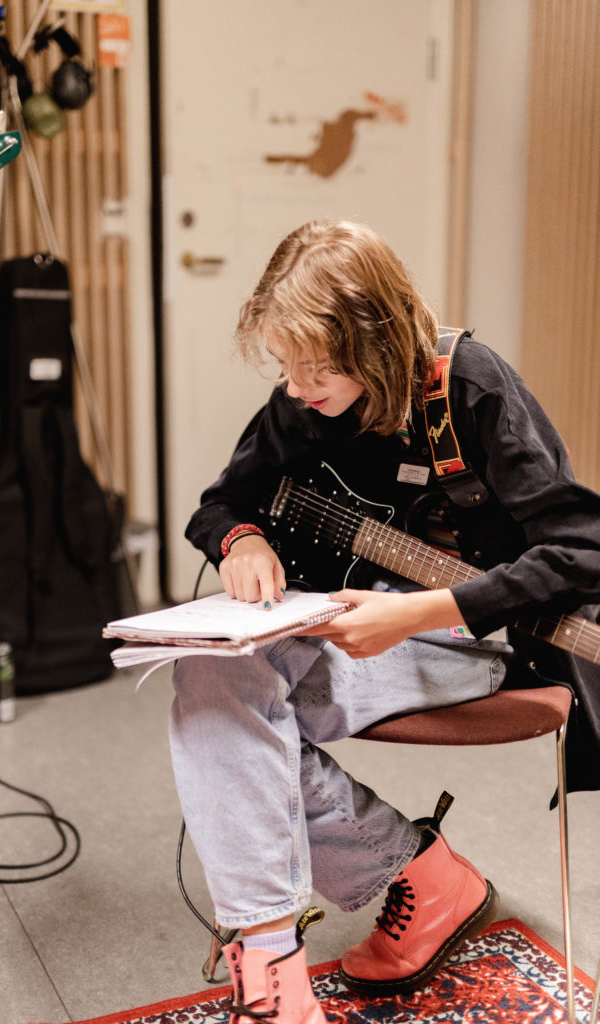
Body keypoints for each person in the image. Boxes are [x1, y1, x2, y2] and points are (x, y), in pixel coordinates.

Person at [169, 220, 600, 1023]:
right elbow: (220, 503)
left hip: (471, 636)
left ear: (378, 339)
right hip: (339, 619)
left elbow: (582, 551)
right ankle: (278, 956)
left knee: (227, 722)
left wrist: (417, 612)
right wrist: (242, 541)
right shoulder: (300, 404)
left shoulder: (469, 386)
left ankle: (401, 893)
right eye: (285, 365)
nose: (297, 387)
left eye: (318, 367)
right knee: (211, 676)